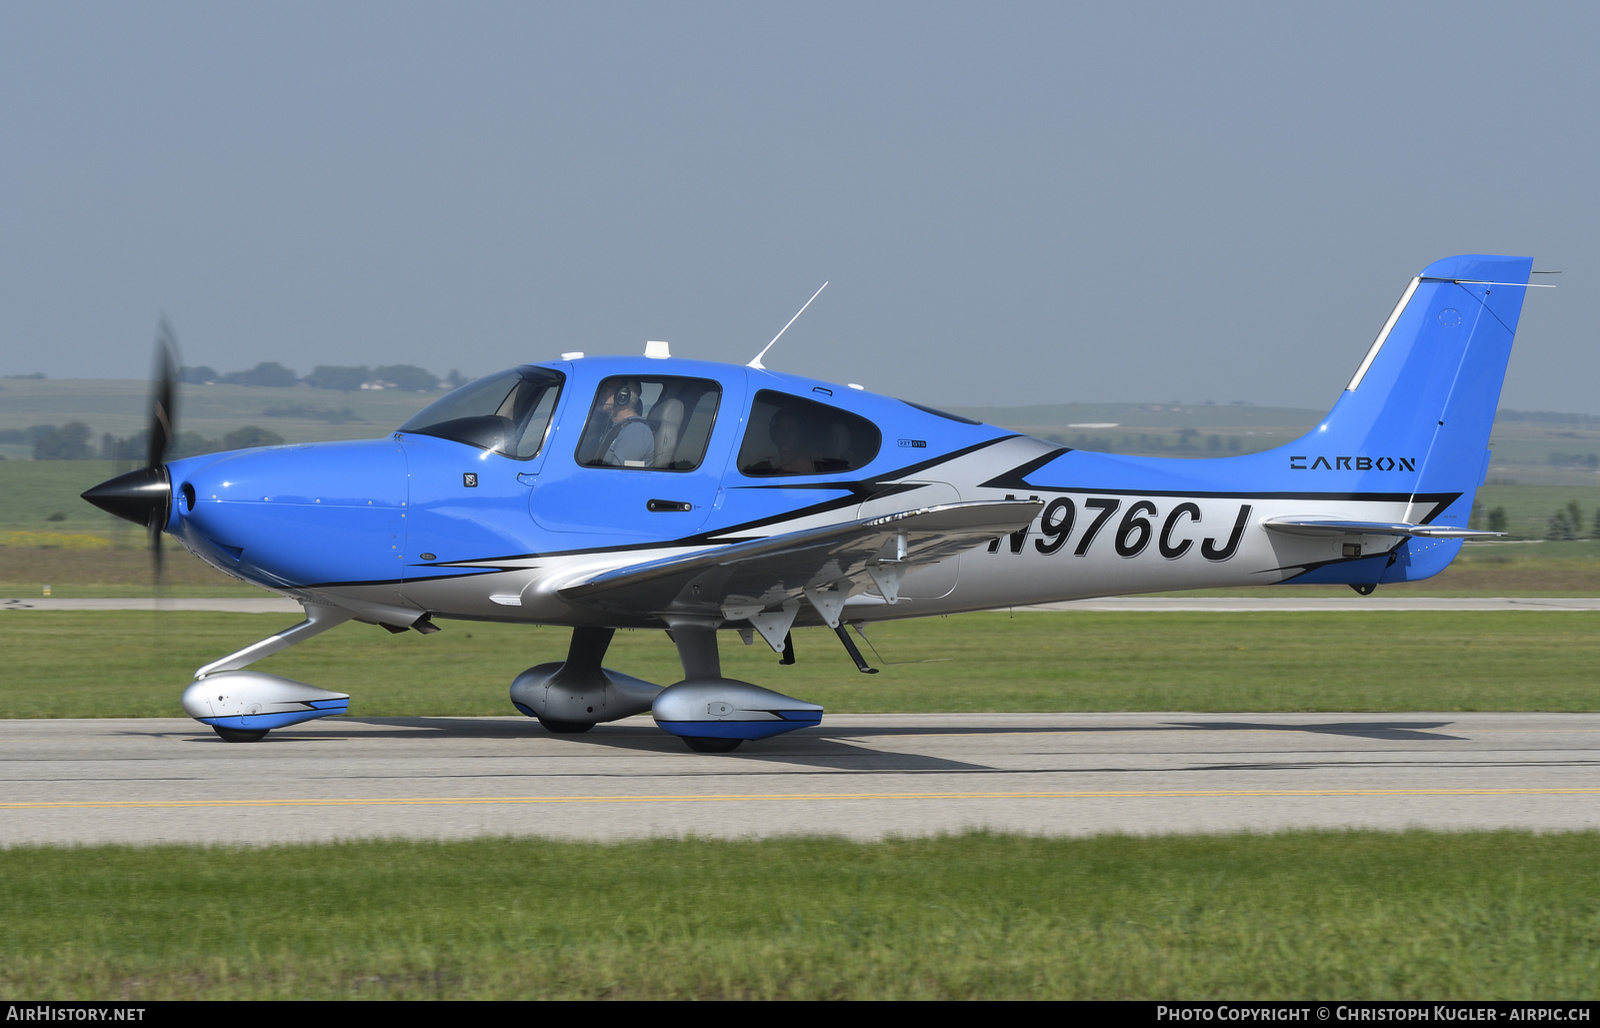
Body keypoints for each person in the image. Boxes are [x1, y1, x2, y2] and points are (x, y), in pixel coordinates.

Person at [593, 379, 655, 467]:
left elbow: (617, 476)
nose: (600, 393)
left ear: (622, 396)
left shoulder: (635, 431)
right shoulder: (612, 426)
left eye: (606, 389)